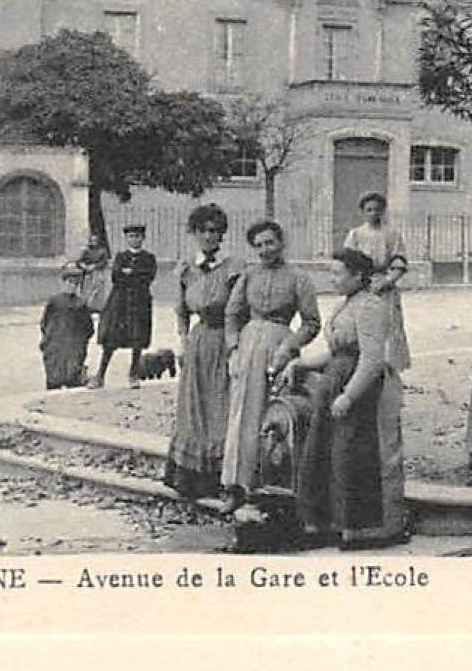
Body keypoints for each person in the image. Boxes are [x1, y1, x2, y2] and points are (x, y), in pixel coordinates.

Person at [282, 247, 408, 548]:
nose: (332, 278)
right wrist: (300, 362)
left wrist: (349, 396)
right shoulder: (347, 304)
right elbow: (335, 351)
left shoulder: (370, 306)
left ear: (358, 275)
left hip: (361, 391)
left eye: (338, 273)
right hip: (335, 383)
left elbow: (372, 359)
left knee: (352, 456)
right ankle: (327, 524)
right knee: (327, 454)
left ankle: (364, 530)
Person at [221, 220, 320, 512]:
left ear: (281, 242)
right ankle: (235, 486)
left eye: (270, 243)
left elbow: (312, 322)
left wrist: (289, 347)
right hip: (248, 347)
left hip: (279, 348)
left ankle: (270, 487)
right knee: (241, 417)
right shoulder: (248, 275)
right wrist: (233, 350)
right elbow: (232, 314)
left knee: (272, 418)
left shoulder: (298, 277)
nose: (265, 249)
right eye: (259, 245)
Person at [342, 190, 412, 540]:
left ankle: (384, 366)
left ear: (383, 210)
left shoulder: (391, 233)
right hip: (363, 285)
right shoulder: (356, 235)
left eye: (377, 209)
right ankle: (364, 364)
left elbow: (399, 261)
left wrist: (388, 280)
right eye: (367, 209)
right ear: (362, 211)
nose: (372, 214)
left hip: (384, 288)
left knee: (386, 336)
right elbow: (347, 262)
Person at [162, 203, 238, 500]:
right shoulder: (185, 269)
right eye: (204, 231)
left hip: (224, 341)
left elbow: (239, 309)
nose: (210, 237)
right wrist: (183, 341)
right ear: (194, 233)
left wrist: (236, 346)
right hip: (197, 343)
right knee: (194, 408)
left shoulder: (233, 268)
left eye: (216, 231)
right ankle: (190, 477)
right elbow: (181, 311)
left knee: (220, 405)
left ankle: (221, 476)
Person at [92, 223, 157, 388]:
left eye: (137, 236)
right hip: (120, 302)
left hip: (139, 302)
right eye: (131, 236)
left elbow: (148, 277)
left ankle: (134, 374)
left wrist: (130, 273)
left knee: (137, 338)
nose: (134, 239)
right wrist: (133, 273)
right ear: (127, 239)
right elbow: (116, 277)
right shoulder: (120, 257)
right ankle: (100, 375)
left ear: (143, 238)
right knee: (111, 339)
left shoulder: (149, 258)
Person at [40, 264, 94, 390]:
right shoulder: (54, 301)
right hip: (55, 343)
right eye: (69, 282)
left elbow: (88, 327)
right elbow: (45, 322)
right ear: (64, 282)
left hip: (74, 344)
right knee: (54, 376)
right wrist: (48, 338)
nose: (72, 286)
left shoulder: (81, 304)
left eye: (76, 284)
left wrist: (81, 341)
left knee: (73, 375)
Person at [74, 233, 112, 315]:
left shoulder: (102, 251)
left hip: (98, 273)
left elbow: (104, 263)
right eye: (92, 241)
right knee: (87, 290)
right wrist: (82, 265)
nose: (93, 242)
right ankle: (86, 306)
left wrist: (95, 266)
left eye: (95, 241)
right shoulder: (86, 251)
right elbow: (79, 261)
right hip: (87, 274)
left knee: (97, 290)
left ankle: (97, 307)